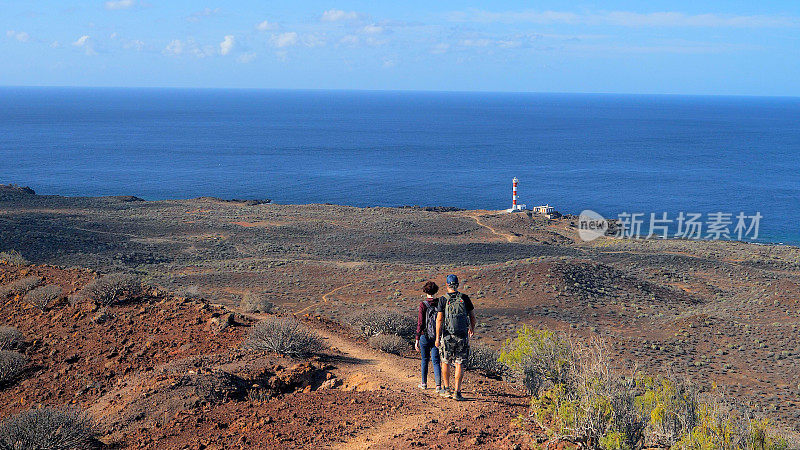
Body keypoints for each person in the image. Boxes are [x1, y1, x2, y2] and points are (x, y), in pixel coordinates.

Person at [435, 274, 475, 401]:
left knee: (445, 361)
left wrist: (437, 337)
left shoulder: (443, 299)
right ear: (457, 285)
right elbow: (473, 317)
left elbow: (439, 319)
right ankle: (457, 392)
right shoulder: (465, 298)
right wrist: (471, 329)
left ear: (447, 285)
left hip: (447, 336)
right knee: (459, 363)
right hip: (462, 336)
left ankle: (446, 389)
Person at [415, 281, 443, 393]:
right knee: (436, 361)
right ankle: (438, 386)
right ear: (435, 291)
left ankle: (424, 383)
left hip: (424, 336)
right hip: (436, 336)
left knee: (425, 359)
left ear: (425, 291)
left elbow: (420, 323)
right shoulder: (440, 303)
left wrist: (417, 338)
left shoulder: (423, 304)